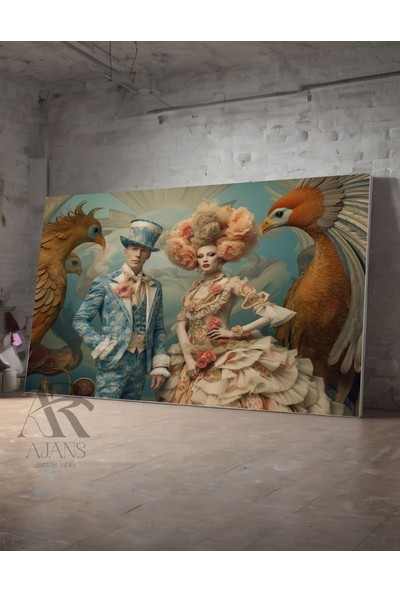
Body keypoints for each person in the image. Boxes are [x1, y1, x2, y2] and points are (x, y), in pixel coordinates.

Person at [158, 202, 348, 415]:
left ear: (222, 256)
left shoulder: (231, 284)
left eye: (210, 254)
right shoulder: (193, 291)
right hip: (192, 358)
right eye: (200, 256)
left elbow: (269, 312)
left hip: (224, 355)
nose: (205, 260)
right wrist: (188, 356)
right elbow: (181, 324)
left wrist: (234, 332)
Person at [73, 218, 170, 400]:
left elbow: (158, 328)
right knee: (106, 410)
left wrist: (159, 364)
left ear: (148, 255)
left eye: (143, 250)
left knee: (131, 412)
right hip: (113, 360)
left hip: (141, 364)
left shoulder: (155, 286)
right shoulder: (105, 283)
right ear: (126, 251)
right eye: (134, 248)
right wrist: (100, 345)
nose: (138, 254)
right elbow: (80, 320)